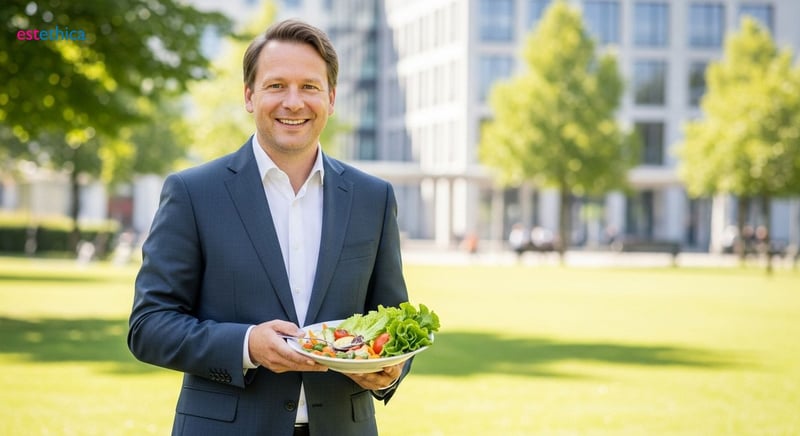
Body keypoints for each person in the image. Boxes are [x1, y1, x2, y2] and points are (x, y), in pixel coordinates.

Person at [128, 19, 410, 436]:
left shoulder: (374, 198)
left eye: (310, 87)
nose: (293, 102)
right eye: (276, 86)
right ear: (249, 96)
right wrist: (246, 346)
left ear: (331, 99)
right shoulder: (193, 192)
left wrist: (390, 371)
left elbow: (392, 320)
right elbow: (149, 325)